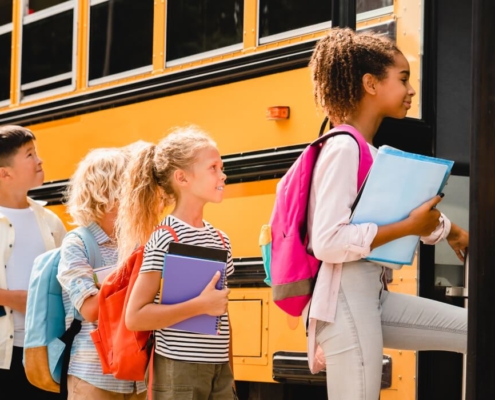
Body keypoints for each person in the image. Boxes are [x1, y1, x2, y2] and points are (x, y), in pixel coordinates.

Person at [305, 27, 469, 400]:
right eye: (404, 79)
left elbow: (397, 213)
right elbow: (328, 241)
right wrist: (409, 226)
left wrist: (450, 231)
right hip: (344, 295)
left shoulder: (370, 151)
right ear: (370, 84)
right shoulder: (344, 147)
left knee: (475, 333)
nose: (412, 90)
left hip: (371, 295)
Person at [117, 126, 236, 400]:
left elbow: (223, 314)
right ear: (182, 178)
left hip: (219, 370)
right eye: (213, 168)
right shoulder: (164, 238)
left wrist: (230, 371)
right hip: (178, 370)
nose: (223, 174)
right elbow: (135, 317)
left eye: (222, 167)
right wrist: (200, 306)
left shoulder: (221, 240)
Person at [57, 147, 146, 400]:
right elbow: (90, 310)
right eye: (131, 186)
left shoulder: (137, 241)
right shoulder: (78, 243)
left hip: (137, 375)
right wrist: (132, 272)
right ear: (107, 193)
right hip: (92, 377)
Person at [0, 125, 67, 399]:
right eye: (29, 154)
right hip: (4, 354)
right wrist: (11, 298)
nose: (39, 160)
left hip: (44, 350)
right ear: (5, 173)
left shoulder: (51, 222)